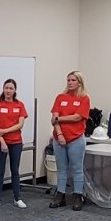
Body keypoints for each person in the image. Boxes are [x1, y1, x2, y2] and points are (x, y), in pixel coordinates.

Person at [49, 70, 91, 211]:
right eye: (68, 80)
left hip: (76, 138)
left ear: (79, 82)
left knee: (77, 169)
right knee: (61, 169)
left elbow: (77, 117)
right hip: (59, 138)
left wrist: (59, 118)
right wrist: (60, 135)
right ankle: (60, 195)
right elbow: (53, 118)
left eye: (73, 80)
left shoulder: (84, 98)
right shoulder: (60, 97)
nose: (70, 82)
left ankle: (78, 195)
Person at [0, 79, 29, 209]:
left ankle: (17, 198)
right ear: (3, 89)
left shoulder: (20, 105)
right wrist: (3, 142)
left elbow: (20, 124)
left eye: (11, 88)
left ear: (15, 90)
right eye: (6, 88)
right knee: (0, 171)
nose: (8, 91)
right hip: (0, 143)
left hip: (16, 142)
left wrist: (5, 131)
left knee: (15, 170)